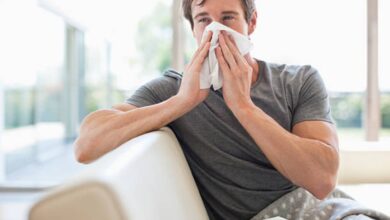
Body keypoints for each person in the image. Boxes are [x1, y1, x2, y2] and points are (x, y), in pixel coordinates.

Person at [74, 0, 340, 219]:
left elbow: (322, 180)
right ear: (193, 30)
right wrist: (182, 102)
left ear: (252, 23)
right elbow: (86, 145)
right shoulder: (173, 90)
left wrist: (244, 107)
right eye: (203, 20)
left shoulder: (298, 81)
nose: (215, 30)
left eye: (228, 18)